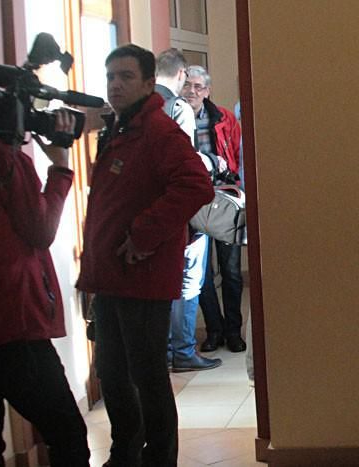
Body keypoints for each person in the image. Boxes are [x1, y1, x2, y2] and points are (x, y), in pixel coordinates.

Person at [77, 44, 214, 467]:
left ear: (149, 83)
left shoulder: (158, 131)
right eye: (110, 77)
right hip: (111, 278)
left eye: (125, 77)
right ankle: (125, 455)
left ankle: (159, 459)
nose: (115, 85)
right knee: (113, 376)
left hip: (142, 278)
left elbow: (196, 185)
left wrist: (143, 235)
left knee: (148, 378)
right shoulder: (119, 130)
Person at [0, 110, 90, 465]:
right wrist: (61, 168)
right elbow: (41, 230)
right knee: (67, 435)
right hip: (13, 324)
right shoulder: (1, 160)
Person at [155, 48, 221, 372]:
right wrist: (212, 162)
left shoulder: (143, 106)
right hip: (181, 211)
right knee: (188, 280)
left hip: (153, 210)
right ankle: (183, 351)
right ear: (181, 74)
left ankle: (166, 351)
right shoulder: (177, 107)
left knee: (163, 280)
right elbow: (185, 163)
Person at [183, 65, 246, 353]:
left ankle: (233, 331)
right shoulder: (176, 119)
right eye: (188, 85)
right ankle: (214, 330)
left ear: (207, 91)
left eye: (198, 86)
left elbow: (238, 156)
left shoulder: (225, 118)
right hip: (193, 202)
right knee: (202, 274)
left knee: (231, 272)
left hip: (225, 202)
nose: (192, 91)